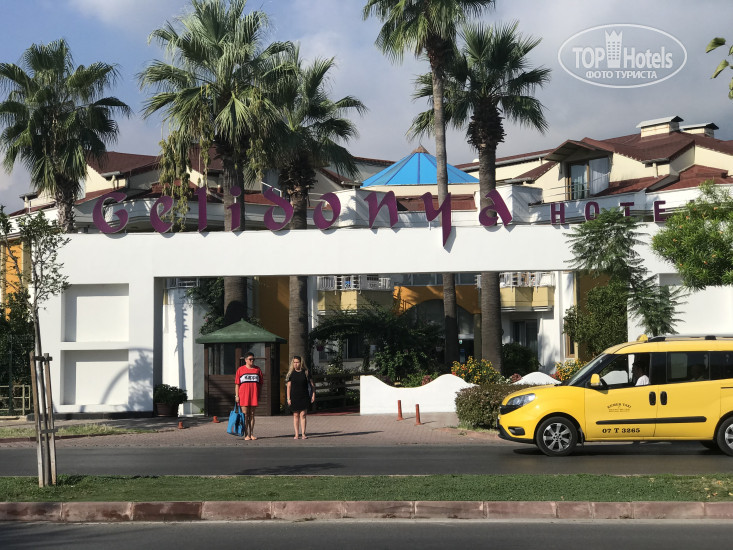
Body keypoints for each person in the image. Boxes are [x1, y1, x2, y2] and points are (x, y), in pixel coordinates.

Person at [285, 355, 315, 440]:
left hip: (304, 396)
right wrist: (288, 398)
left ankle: (303, 434)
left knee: (303, 415)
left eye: (297, 362)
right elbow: (288, 387)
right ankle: (296, 434)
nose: (295, 364)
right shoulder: (291, 373)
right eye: (294, 362)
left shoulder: (306, 372)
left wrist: (313, 395)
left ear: (301, 363)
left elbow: (312, 385)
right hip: (294, 396)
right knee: (295, 415)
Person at [235, 352, 263, 441]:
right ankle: (246, 434)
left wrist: (259, 394)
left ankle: (251, 434)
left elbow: (260, 384)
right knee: (245, 414)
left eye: (253, 359)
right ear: (246, 360)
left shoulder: (257, 370)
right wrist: (236, 396)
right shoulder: (240, 370)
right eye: (250, 359)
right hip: (243, 395)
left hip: (254, 395)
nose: (252, 361)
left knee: (252, 414)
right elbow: (237, 384)